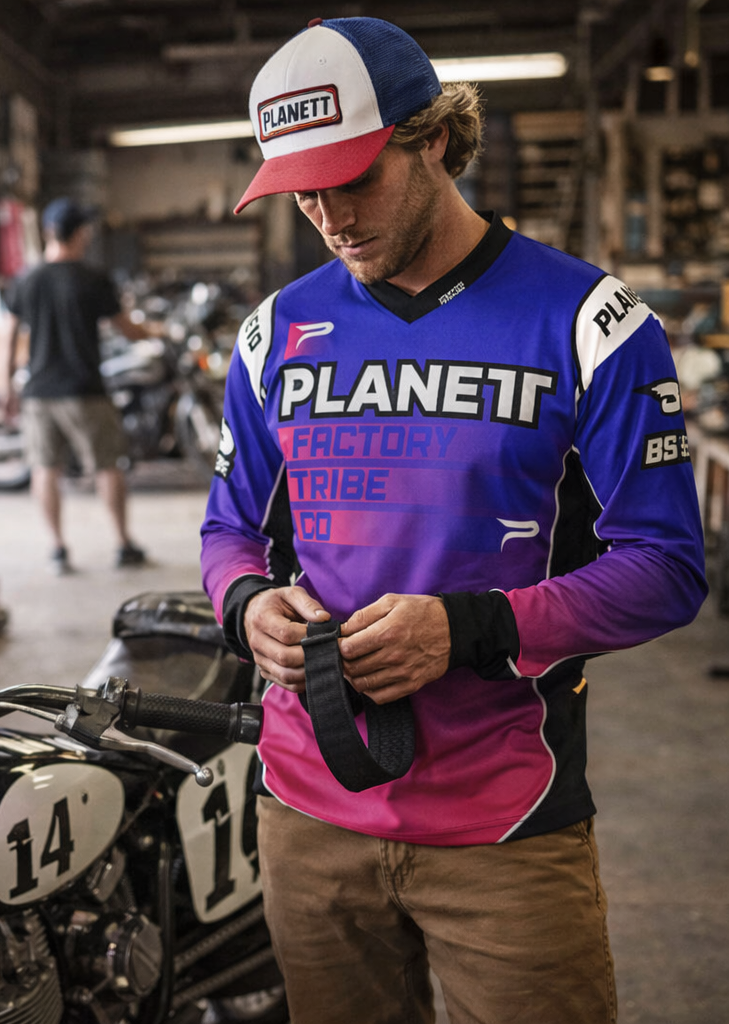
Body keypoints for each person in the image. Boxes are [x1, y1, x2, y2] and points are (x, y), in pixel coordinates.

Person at [200, 17, 707, 1024]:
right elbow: (228, 531)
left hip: (505, 821)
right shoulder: (274, 334)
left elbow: (665, 565)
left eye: (355, 177)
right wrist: (246, 602)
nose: (332, 217)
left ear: (433, 139)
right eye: (304, 191)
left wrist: (473, 628)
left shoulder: (587, 323)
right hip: (305, 806)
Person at [0, 197, 155, 573]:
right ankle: (122, 543)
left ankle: (57, 548)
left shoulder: (26, 280)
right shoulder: (93, 279)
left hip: (39, 392)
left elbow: (8, 338)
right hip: (86, 390)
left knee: (44, 469)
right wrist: (154, 330)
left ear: (49, 232)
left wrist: (6, 389)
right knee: (107, 466)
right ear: (80, 233)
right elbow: (129, 331)